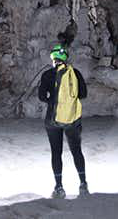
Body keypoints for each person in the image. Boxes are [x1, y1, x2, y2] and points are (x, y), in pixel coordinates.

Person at [38, 43, 88, 199]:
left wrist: (53, 102)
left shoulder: (47, 74)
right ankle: (83, 184)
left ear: (54, 59)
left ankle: (59, 187)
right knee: (76, 151)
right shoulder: (76, 73)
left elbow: (41, 96)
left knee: (56, 152)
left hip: (53, 120)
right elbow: (83, 94)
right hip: (72, 120)